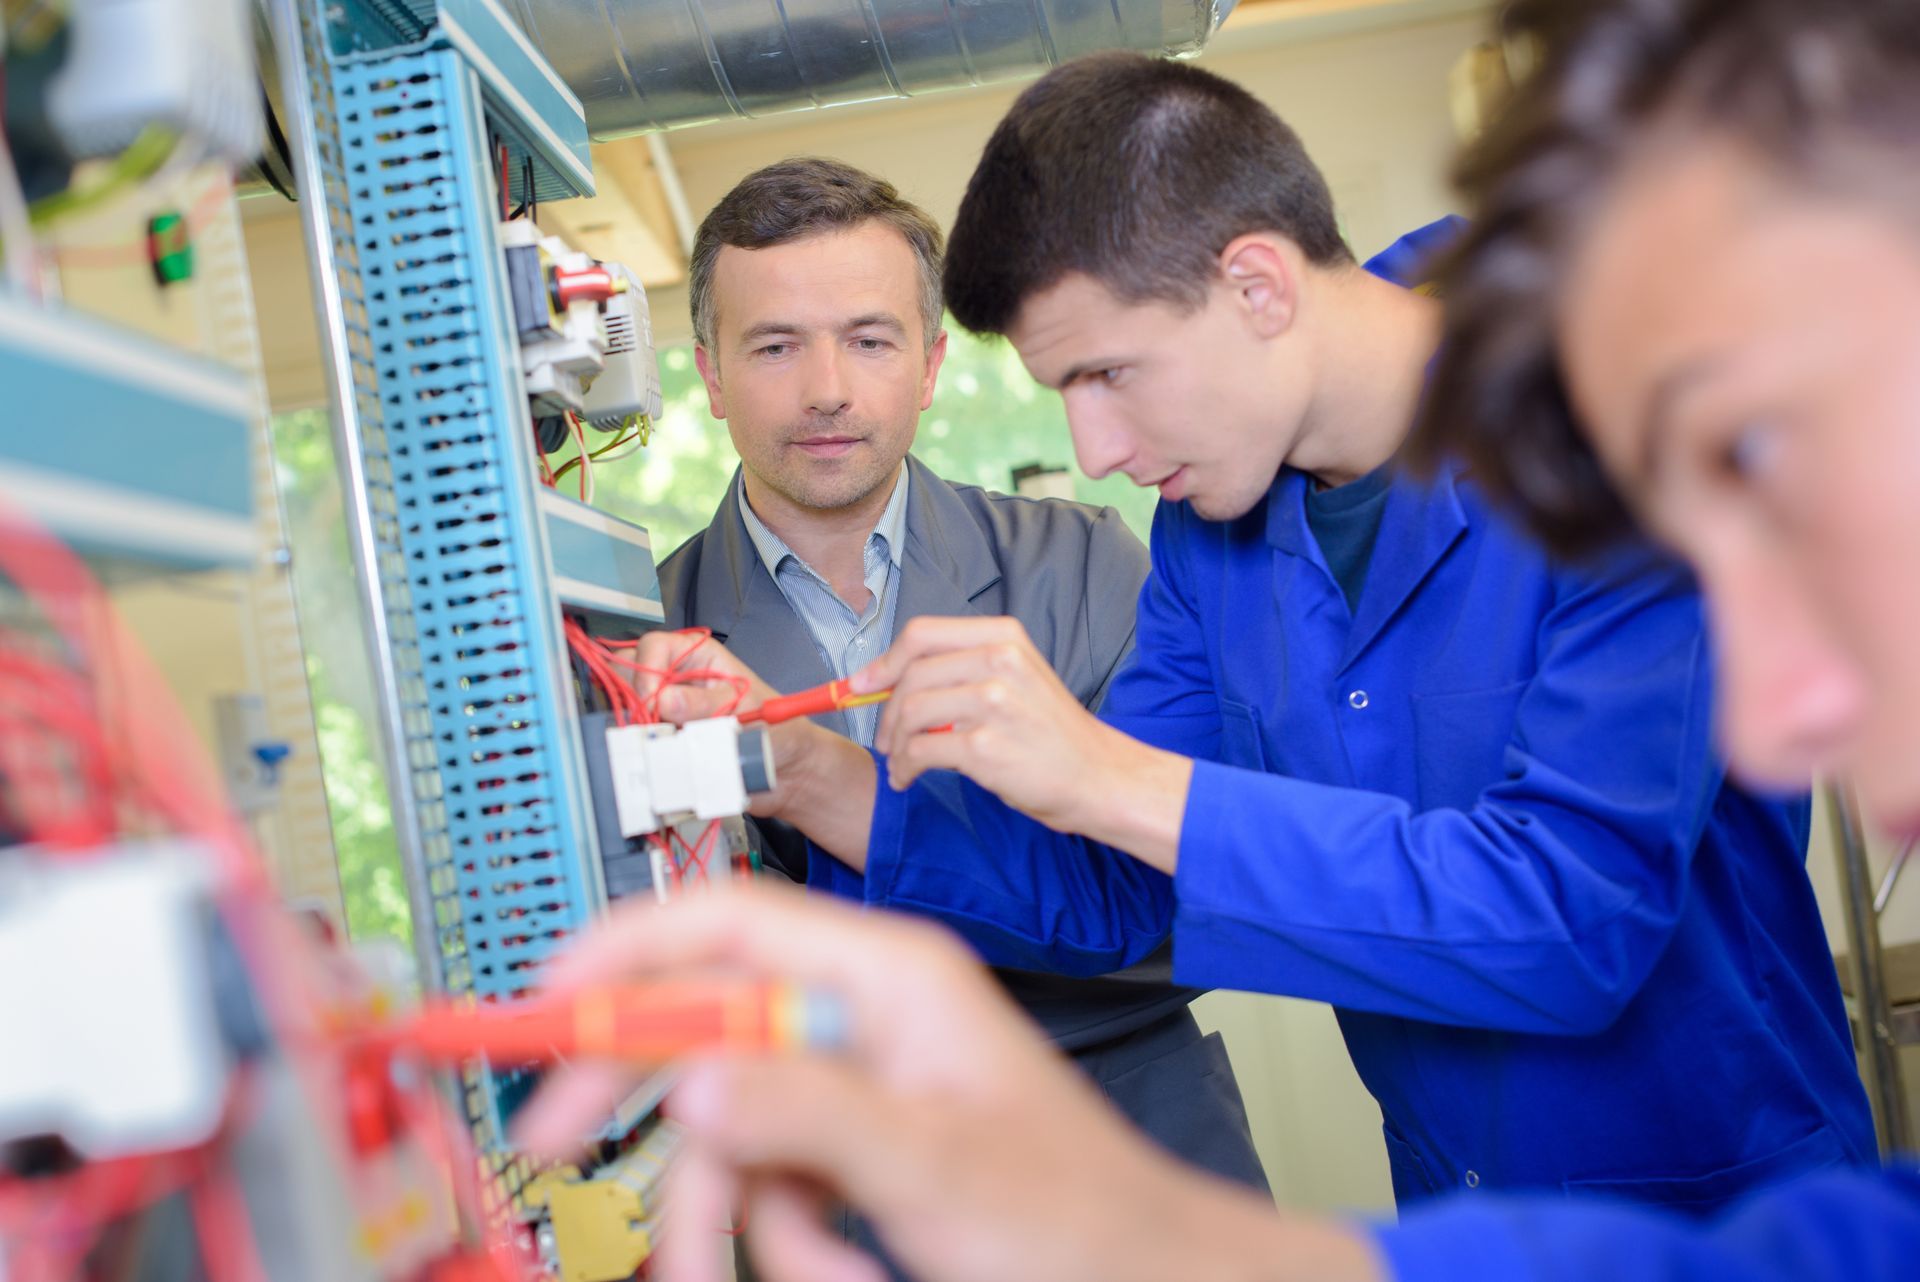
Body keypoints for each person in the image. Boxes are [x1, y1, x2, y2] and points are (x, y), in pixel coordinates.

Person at [516, 2, 1920, 1279]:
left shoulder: (1606, 409)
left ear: (1256, 286)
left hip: (1726, 1206)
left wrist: (1107, 771)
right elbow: (1130, 895)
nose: (1101, 452)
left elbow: (1569, 921)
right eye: (1063, 394)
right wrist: (823, 779)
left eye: (1108, 376)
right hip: (1444, 1204)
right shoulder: (1210, 532)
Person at [653, 158, 1269, 1225]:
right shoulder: (647, 639)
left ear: (931, 364)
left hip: (1128, 1143)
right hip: (832, 1190)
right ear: (709, 374)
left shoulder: (1086, 562)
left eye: (871, 337)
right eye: (775, 345)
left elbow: (1179, 909)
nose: (828, 388)